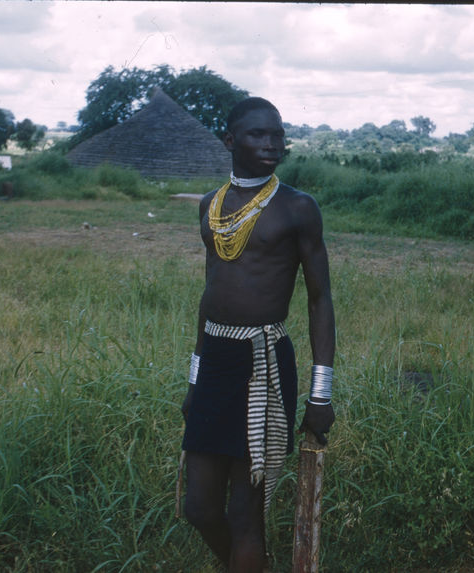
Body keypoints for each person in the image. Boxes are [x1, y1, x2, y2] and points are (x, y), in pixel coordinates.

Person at [179, 97, 336, 572]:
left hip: (262, 362)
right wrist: (194, 379)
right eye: (257, 135)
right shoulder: (211, 207)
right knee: (200, 508)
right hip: (217, 361)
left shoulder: (297, 208)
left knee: (245, 515)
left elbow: (319, 299)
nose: (272, 145)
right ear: (230, 141)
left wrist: (321, 393)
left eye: (278, 135)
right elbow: (209, 298)